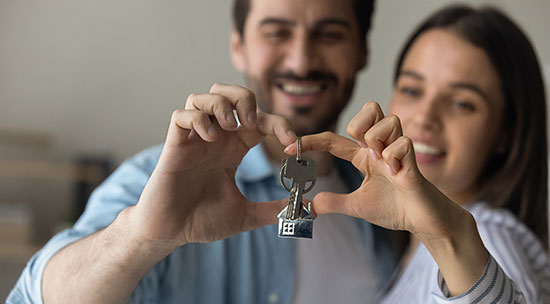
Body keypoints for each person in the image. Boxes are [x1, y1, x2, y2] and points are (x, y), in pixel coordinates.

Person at [8, 0, 399, 303]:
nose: (300, 61)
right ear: (238, 46)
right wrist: (143, 238)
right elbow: (36, 296)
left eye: (329, 34)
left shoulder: (381, 198)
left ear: (362, 50)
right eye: (276, 33)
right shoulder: (159, 182)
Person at [287, 4, 549, 303]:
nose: (425, 116)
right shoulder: (401, 246)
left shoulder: (490, 240)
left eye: (462, 103)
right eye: (412, 90)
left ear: (506, 133)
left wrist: (450, 240)